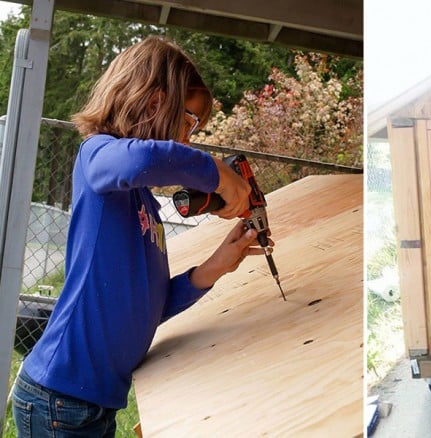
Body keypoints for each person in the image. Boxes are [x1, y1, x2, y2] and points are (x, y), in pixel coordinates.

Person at [11, 36, 269, 437]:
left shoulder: (144, 204)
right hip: (57, 397)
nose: (188, 138)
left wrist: (215, 267)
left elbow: (150, 307)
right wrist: (217, 171)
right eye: (188, 122)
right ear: (154, 103)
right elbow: (147, 158)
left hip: (94, 403)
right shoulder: (96, 155)